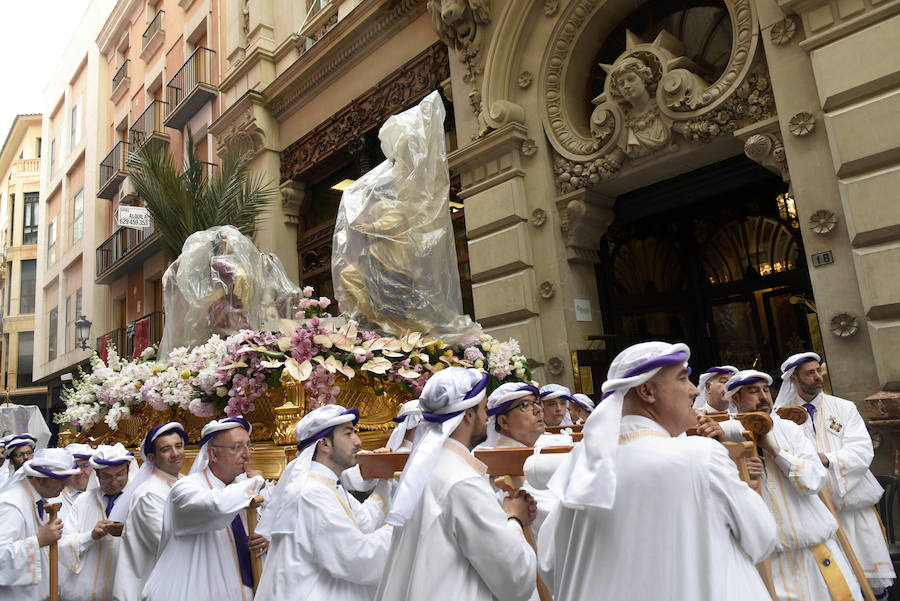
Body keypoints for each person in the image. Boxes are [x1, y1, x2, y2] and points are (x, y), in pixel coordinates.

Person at [539, 342, 776, 601]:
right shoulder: (701, 455)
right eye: (682, 378)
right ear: (647, 391)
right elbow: (762, 539)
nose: (693, 390)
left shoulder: (581, 466)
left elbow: (550, 564)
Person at [375, 368, 538, 601]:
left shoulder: (424, 467)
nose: (486, 418)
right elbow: (513, 576)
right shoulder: (462, 480)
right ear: (468, 414)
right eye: (483, 409)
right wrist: (515, 518)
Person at [727, 370, 864, 601]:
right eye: (753, 391)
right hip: (768, 562)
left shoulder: (789, 429)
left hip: (813, 555)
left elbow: (813, 480)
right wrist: (740, 470)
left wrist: (775, 451)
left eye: (765, 390)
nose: (763, 396)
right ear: (736, 399)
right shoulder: (725, 435)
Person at [774, 352, 895, 594]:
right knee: (834, 585)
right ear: (794, 379)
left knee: (872, 584)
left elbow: (862, 450)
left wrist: (827, 459)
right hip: (815, 512)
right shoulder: (780, 417)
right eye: (810, 373)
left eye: (819, 371)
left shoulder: (843, 407)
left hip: (853, 509)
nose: (818, 377)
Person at [255, 405, 392, 601]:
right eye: (349, 434)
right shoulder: (311, 493)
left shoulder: (328, 485)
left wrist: (385, 482)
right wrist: (401, 525)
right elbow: (356, 557)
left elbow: (365, 520)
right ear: (324, 444)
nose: (358, 441)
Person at [141, 417, 267, 601]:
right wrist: (255, 482)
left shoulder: (244, 487)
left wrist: (266, 538)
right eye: (237, 447)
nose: (247, 454)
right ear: (213, 455)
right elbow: (218, 506)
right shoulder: (185, 489)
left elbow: (279, 521)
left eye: (249, 445)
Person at [111, 422, 187, 601]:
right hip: (153, 587)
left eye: (179, 446)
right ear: (152, 458)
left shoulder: (184, 482)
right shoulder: (148, 493)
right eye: (166, 449)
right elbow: (167, 542)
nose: (175, 454)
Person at [0, 447, 80, 601]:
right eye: (59, 480)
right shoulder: (12, 505)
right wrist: (39, 540)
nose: (65, 485)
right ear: (38, 479)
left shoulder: (35, 498)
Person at [60, 443, 135, 601]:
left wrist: (128, 531)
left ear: (128, 468)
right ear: (97, 475)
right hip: (84, 593)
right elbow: (63, 544)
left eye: (120, 475)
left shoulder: (139, 498)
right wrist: (90, 536)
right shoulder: (84, 501)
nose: (114, 482)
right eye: (107, 477)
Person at [51, 443, 95, 523]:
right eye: (74, 467)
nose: (79, 472)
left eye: (85, 466)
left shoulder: (104, 491)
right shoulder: (53, 497)